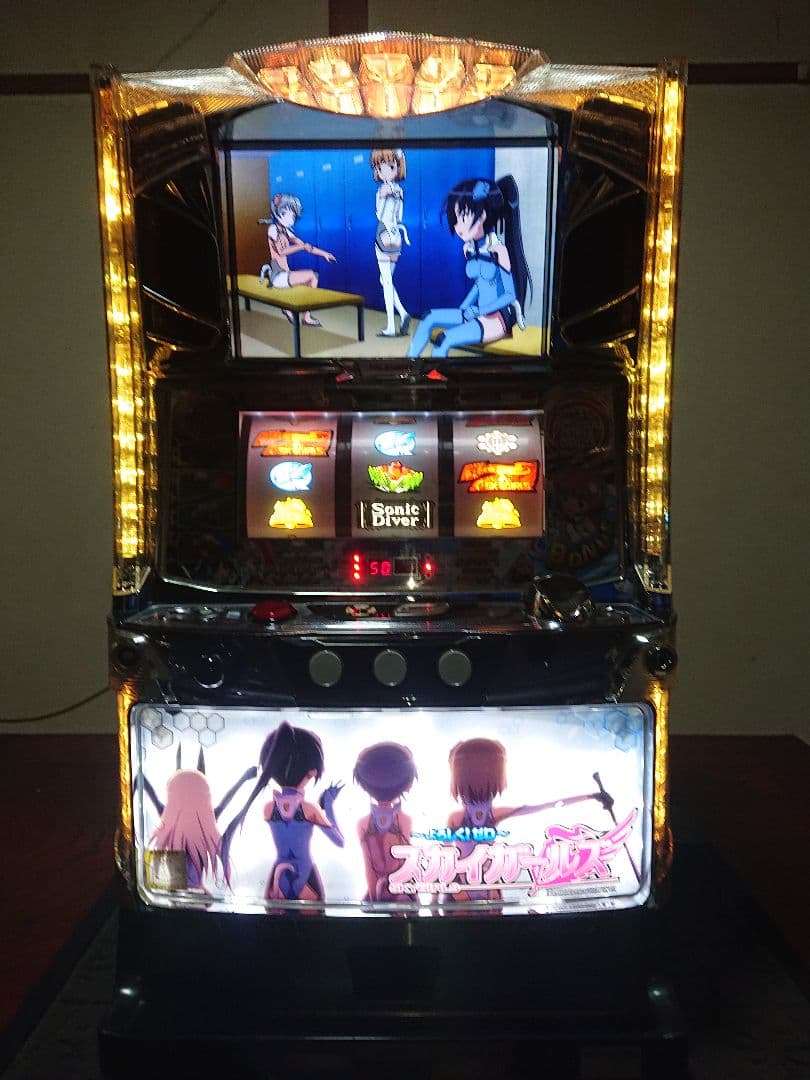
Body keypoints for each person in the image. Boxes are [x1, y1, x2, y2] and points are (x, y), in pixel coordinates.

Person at [407, 176, 530, 361]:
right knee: (428, 317)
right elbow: (480, 285)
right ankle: (408, 364)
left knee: (443, 339)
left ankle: (436, 376)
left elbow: (509, 295)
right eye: (455, 219)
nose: (457, 227)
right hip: (476, 311)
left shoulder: (498, 251)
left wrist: (479, 311)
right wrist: (464, 308)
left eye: (463, 217)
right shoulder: (469, 249)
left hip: (497, 318)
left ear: (482, 215)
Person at [221, 721, 343, 905]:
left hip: (277, 878)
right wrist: (328, 804)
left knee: (273, 922)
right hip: (306, 874)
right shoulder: (311, 809)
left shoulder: (268, 808)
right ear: (311, 772)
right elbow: (340, 841)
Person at [258, 193, 336, 327]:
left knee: (309, 283)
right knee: (313, 276)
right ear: (279, 213)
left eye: (293, 216)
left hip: (285, 274)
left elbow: (306, 246)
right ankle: (305, 316)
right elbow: (281, 251)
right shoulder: (273, 229)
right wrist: (301, 247)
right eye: (288, 214)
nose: (292, 219)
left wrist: (324, 254)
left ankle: (290, 308)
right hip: (278, 275)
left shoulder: (286, 231)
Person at [353, 741, 417, 903]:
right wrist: (374, 898)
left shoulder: (403, 820)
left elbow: (406, 863)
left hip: (399, 890)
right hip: (384, 892)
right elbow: (369, 867)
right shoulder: (365, 823)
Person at [370, 148, 411, 337]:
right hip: (397, 237)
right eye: (380, 167)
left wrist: (382, 196)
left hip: (384, 234)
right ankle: (403, 313)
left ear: (397, 167)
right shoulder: (400, 190)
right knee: (384, 280)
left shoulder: (383, 189)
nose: (383, 171)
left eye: (389, 166)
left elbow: (379, 214)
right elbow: (399, 216)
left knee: (386, 282)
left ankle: (391, 327)